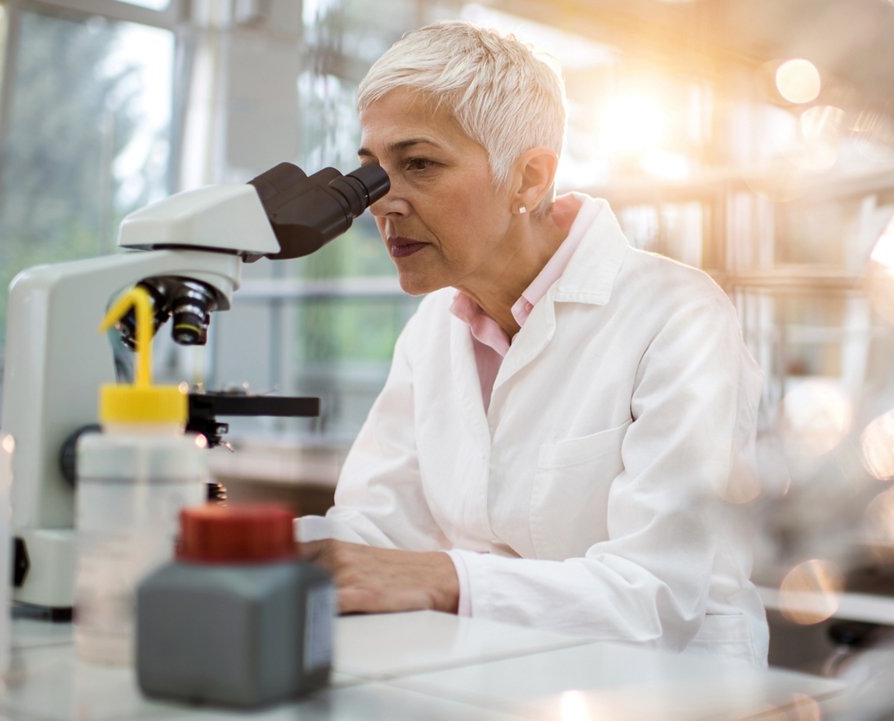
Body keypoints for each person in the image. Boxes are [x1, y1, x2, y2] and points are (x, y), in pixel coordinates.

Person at [295, 20, 768, 666]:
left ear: (528, 177)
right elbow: (377, 530)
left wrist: (446, 577)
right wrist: (257, 546)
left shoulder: (677, 315)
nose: (382, 204)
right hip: (497, 676)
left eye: (419, 164)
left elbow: (653, 596)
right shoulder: (435, 327)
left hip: (672, 691)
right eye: (373, 171)